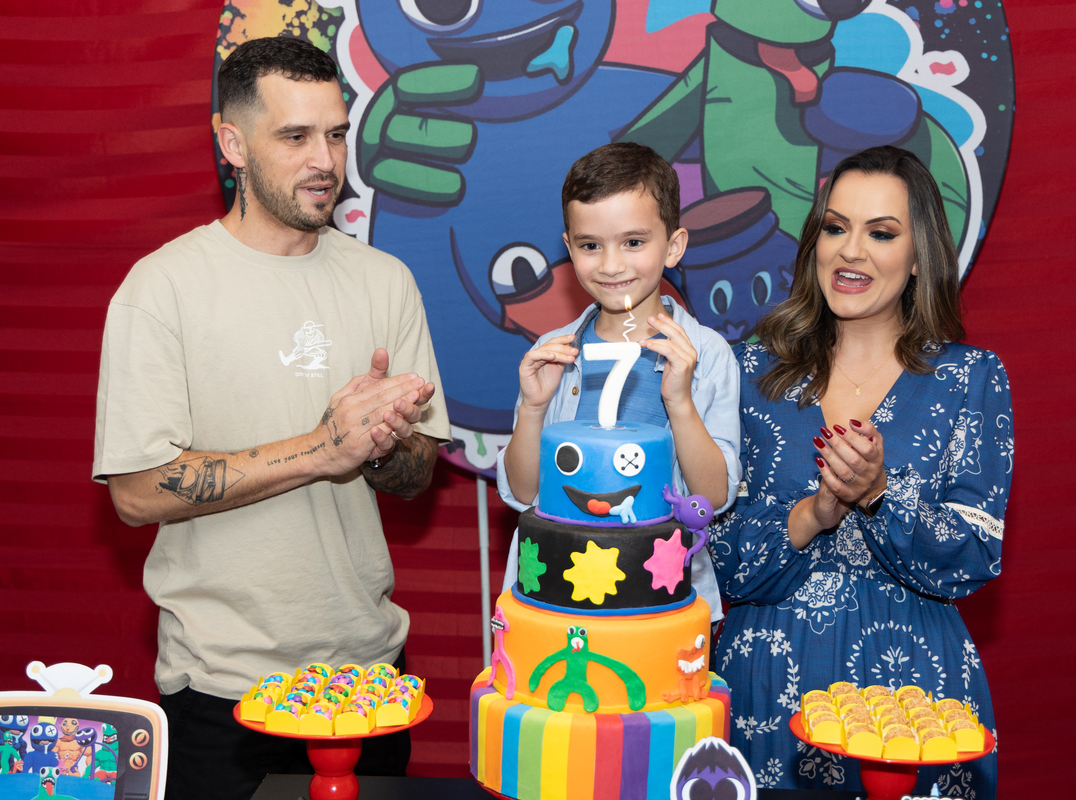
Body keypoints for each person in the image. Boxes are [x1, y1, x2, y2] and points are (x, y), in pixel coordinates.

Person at [92, 37, 450, 800]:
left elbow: (418, 474)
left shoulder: (385, 280)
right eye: (295, 137)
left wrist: (381, 445)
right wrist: (323, 448)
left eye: (336, 134)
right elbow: (135, 493)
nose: (325, 160)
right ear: (233, 144)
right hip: (222, 686)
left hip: (367, 676)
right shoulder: (162, 289)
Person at [710, 146, 1010, 796]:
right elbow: (713, 561)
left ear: (919, 255)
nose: (851, 251)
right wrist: (812, 514)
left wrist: (879, 495)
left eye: (881, 233)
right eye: (836, 226)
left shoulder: (969, 378)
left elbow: (974, 557)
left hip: (918, 703)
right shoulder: (744, 372)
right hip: (767, 694)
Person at [496, 142, 741, 629]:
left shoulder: (707, 354)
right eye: (591, 245)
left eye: (633, 242)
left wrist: (680, 402)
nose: (611, 265)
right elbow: (524, 492)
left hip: (661, 602)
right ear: (569, 248)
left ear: (673, 245)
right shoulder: (552, 352)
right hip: (555, 598)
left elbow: (714, 497)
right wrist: (533, 409)